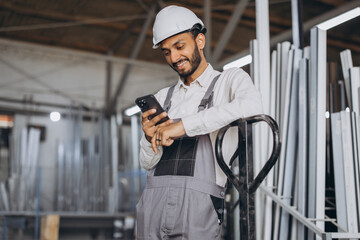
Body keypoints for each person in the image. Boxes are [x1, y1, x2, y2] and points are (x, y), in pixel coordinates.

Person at [136, 5, 263, 240]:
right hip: (152, 207)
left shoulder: (228, 81)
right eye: (166, 52)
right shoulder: (164, 97)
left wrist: (182, 126)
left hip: (198, 211)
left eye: (179, 46)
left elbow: (252, 107)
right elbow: (146, 163)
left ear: (200, 40)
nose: (174, 58)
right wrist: (148, 139)